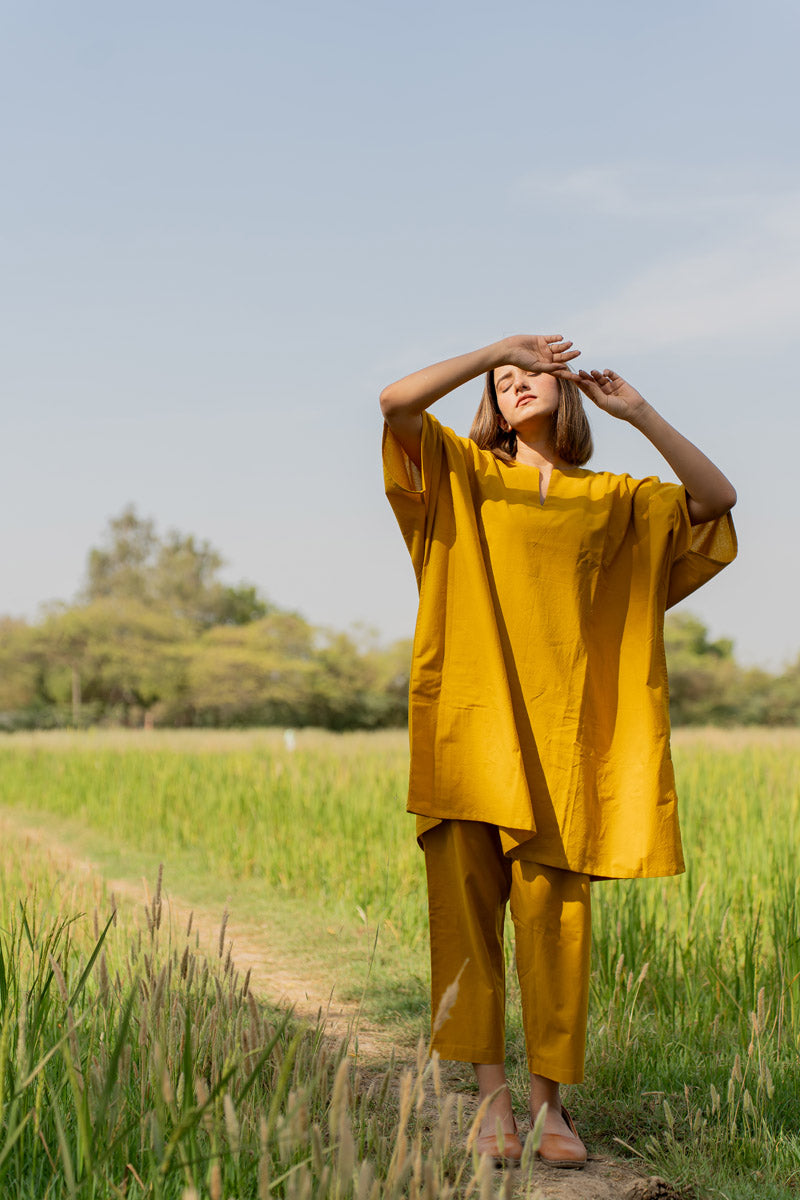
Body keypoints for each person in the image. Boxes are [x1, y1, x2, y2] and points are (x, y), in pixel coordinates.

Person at [379, 333, 737, 1169]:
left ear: (566, 390)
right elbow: (396, 403)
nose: (511, 386)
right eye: (500, 381)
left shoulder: (618, 500)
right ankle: (491, 1104)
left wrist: (639, 412)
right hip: (469, 731)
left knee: (556, 926)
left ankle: (549, 1110)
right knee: (466, 919)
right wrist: (492, 348)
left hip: (570, 749)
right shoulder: (460, 475)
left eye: (527, 374)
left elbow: (717, 497)